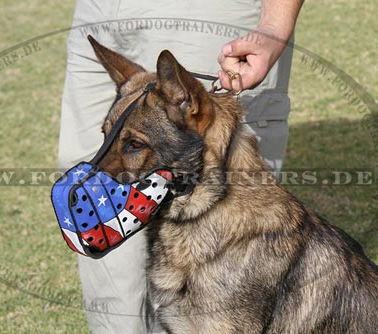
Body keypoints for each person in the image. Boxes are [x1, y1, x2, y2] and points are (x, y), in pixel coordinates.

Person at [58, 1, 303, 333]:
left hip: (201, 15)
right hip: (99, 13)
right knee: (102, 198)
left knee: (218, 219)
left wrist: (274, 25)